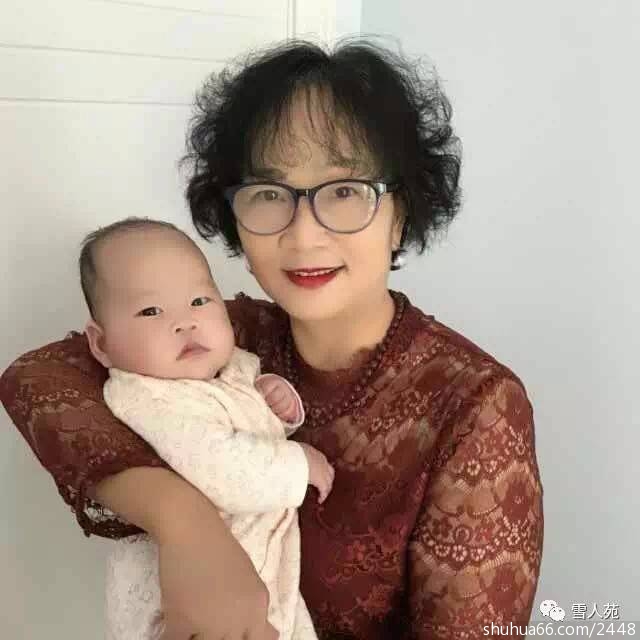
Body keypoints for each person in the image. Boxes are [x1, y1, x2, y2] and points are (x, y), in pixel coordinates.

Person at [0, 40, 544, 639]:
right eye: (268, 193)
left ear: (403, 213)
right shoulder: (230, 334)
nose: (303, 234)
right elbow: (37, 378)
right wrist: (182, 519)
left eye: (345, 190)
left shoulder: (475, 405)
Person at [79, 217, 331, 640]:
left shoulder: (232, 368)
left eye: (199, 300)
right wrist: (299, 465)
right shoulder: (144, 396)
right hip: (187, 598)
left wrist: (274, 402)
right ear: (102, 344)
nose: (185, 322)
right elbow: (219, 468)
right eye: (151, 311)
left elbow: (245, 424)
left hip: (265, 569)